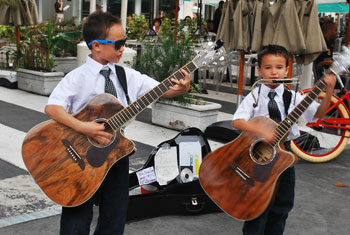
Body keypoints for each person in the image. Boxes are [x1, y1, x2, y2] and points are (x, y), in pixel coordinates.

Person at [45, 11, 190, 235]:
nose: (123, 47)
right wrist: (83, 127)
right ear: (96, 46)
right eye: (118, 43)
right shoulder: (77, 78)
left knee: (115, 217)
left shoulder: (126, 76)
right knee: (77, 217)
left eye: (125, 42)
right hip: (80, 158)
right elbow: (52, 107)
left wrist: (181, 88)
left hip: (116, 156)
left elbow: (163, 89)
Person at [232, 45, 336, 235]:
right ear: (260, 70)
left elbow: (318, 114)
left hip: (284, 156)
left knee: (283, 204)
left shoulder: (293, 96)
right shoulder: (254, 96)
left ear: (287, 69)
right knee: (257, 205)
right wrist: (260, 129)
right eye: (268, 68)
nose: (274, 72)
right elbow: (237, 122)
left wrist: (328, 90)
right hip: (258, 155)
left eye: (279, 67)